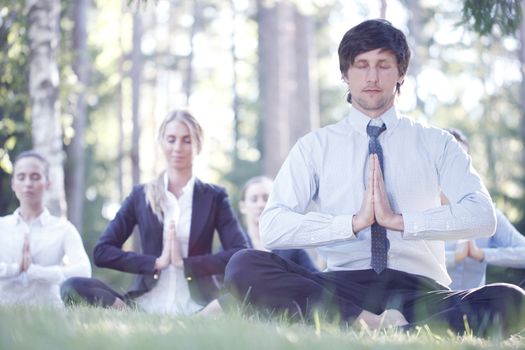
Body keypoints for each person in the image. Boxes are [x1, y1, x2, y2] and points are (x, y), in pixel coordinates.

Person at [224, 19, 525, 337]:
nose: (371, 77)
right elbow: (272, 228)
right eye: (361, 65)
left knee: (512, 300)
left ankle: (403, 328)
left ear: (401, 73)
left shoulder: (437, 143)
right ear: (345, 73)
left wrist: (400, 221)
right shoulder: (314, 147)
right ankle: (375, 324)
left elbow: (482, 217)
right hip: (342, 287)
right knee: (243, 265)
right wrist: (352, 223)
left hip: (422, 288)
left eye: (383, 65)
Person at [61, 109, 248, 315]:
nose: (178, 147)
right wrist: (155, 263)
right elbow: (102, 252)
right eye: (171, 139)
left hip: (200, 303)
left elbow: (239, 253)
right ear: (161, 142)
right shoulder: (141, 195)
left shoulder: (214, 197)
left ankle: (201, 318)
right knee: (72, 286)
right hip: (145, 302)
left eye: (187, 140)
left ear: (198, 145)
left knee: (249, 290)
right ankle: (128, 314)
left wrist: (185, 264)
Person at [0, 151, 91, 306]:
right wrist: (16, 269)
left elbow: (84, 271)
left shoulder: (64, 229)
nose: (28, 183)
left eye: (35, 177)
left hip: (49, 315)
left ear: (48, 183)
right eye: (21, 177)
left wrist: (36, 271)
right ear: (13, 184)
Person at [443, 128, 525, 290]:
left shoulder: (487, 213)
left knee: (514, 293)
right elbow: (409, 261)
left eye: (464, 160)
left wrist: (482, 254)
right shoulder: (420, 211)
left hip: (476, 307)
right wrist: (455, 257)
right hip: (431, 308)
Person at [239, 176, 317, 272]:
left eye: (267, 198)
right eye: (254, 199)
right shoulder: (231, 245)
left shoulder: (291, 246)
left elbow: (317, 281)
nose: (260, 204)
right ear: (242, 206)